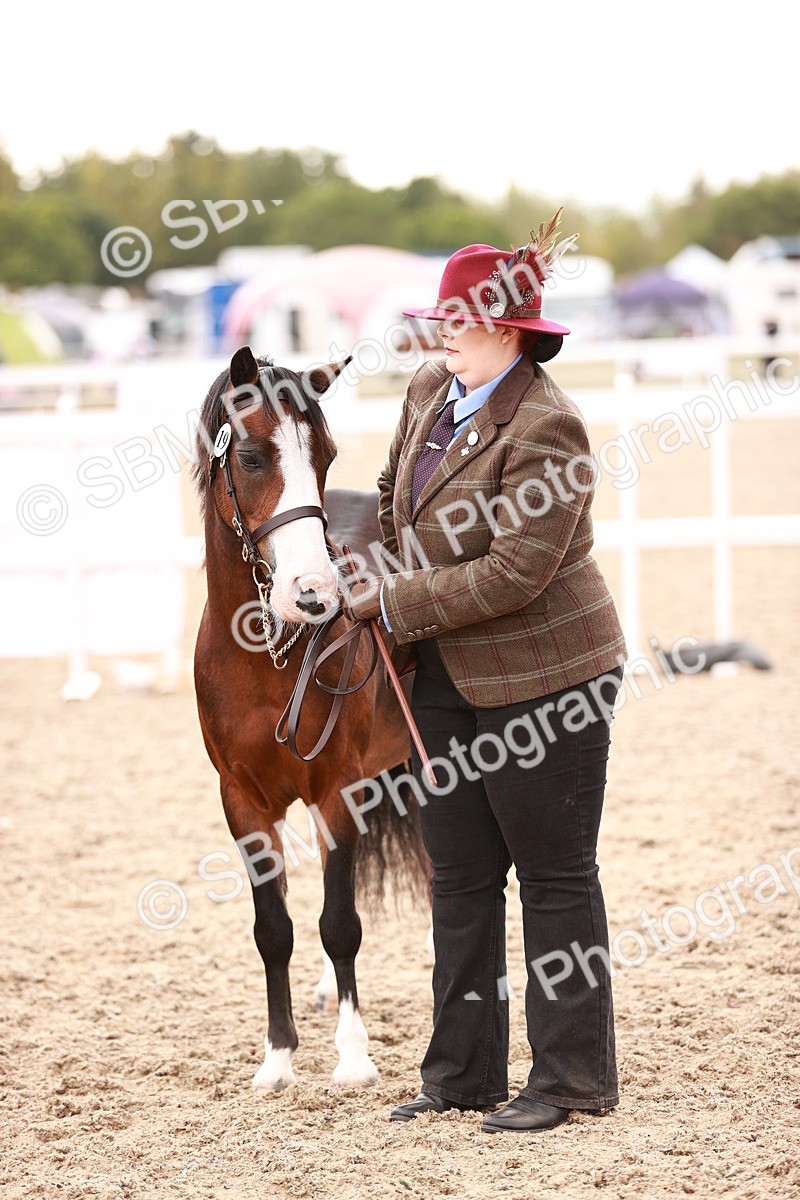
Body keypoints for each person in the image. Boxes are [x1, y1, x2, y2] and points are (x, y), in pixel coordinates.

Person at [343, 213, 628, 1133]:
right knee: (460, 877)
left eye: (455, 323)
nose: (439, 337)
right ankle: (461, 1072)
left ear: (506, 331)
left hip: (550, 679)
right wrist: (373, 562)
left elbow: (514, 574)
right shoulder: (433, 388)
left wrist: (391, 601)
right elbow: (392, 497)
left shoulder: (549, 429)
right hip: (447, 678)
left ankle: (570, 1079)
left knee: (553, 878)